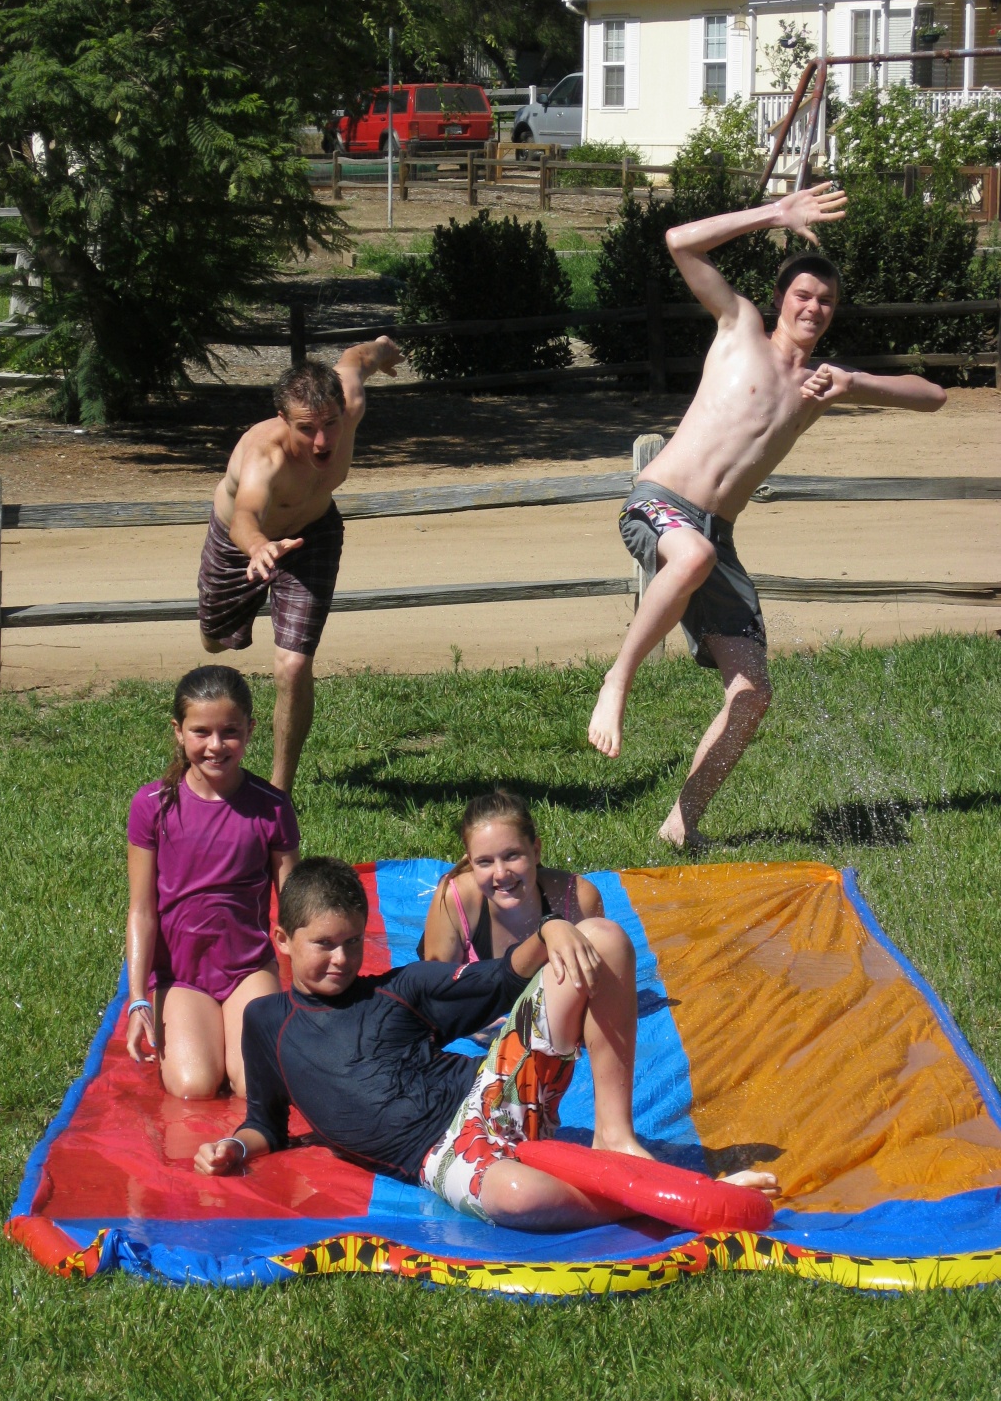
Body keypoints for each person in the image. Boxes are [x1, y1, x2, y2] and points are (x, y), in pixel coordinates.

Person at [587, 185, 947, 850]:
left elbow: (935, 396)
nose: (814, 307)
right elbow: (679, 242)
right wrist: (777, 214)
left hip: (713, 536)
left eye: (826, 301)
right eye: (804, 295)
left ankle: (683, 820)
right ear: (781, 299)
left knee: (752, 692)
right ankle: (619, 679)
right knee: (689, 555)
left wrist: (855, 384)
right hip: (659, 503)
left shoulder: (820, 387)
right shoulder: (738, 327)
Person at [194, 858, 778, 1230]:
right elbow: (266, 1123)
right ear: (284, 940)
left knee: (599, 935)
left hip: (493, 1094)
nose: (342, 959)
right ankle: (675, 1198)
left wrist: (549, 927)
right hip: (440, 1155)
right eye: (324, 944)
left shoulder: (401, 989)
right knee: (518, 1197)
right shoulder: (266, 1021)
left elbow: (501, 980)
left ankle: (616, 1139)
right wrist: (234, 1149)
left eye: (352, 942)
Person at [197, 339, 402, 792]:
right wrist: (257, 548)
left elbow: (355, 360)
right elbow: (246, 516)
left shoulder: (348, 401)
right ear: (283, 420)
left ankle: (278, 793)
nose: (324, 440)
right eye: (308, 429)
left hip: (313, 533)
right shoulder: (263, 456)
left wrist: (382, 350)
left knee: (293, 664)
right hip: (241, 544)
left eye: (331, 423)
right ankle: (218, 628)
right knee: (215, 641)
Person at [125, 665, 300, 1099]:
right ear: (178, 732)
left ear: (251, 730)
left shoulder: (272, 807)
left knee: (254, 1088)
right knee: (193, 1087)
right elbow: (142, 910)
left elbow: (297, 909)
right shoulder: (153, 806)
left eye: (230, 732)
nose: (216, 746)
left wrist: (311, 998)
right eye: (201, 731)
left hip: (248, 969)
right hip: (181, 975)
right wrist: (138, 1000)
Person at [418, 790, 604, 964]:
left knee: (611, 939)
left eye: (512, 856)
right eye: (485, 861)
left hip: (552, 996)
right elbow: (436, 992)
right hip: (479, 992)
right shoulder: (455, 900)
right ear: (471, 862)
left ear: (536, 851)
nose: (500, 873)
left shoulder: (576, 898)